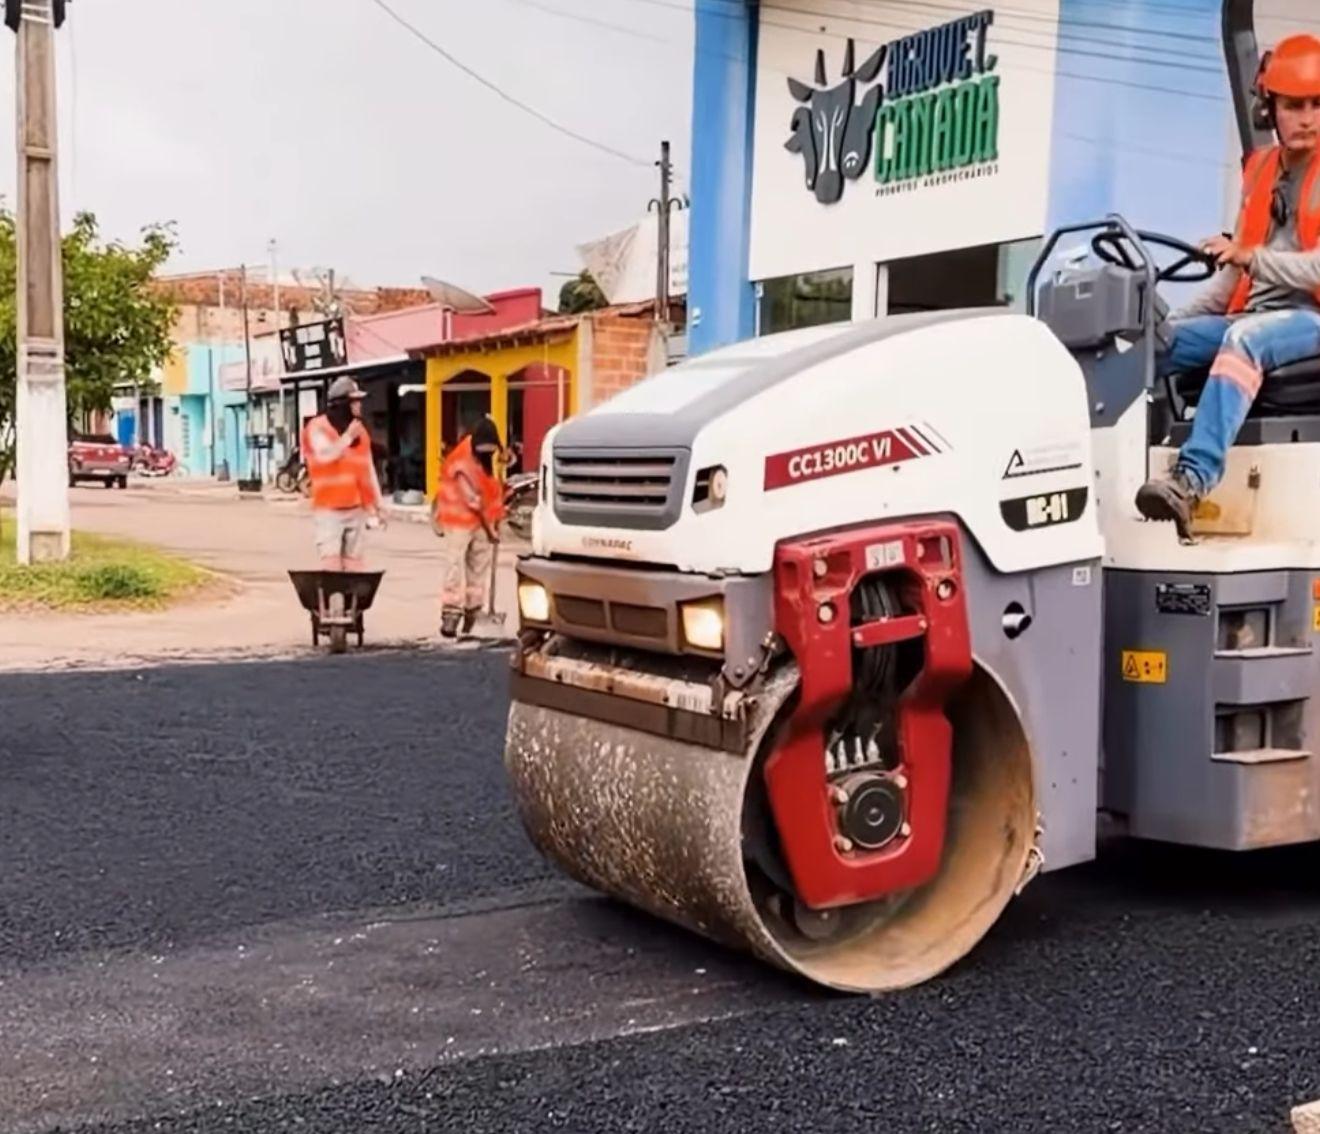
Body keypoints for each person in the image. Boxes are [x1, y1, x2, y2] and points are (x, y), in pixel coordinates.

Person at [1137, 33, 1320, 530]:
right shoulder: (1261, 171)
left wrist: (1249, 257)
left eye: (1316, 104)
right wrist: (1170, 326)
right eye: (1294, 105)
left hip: (1312, 319)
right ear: (1270, 109)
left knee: (1244, 338)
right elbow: (1231, 279)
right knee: (1150, 346)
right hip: (1259, 316)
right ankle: (1127, 476)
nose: (1307, 117)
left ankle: (1191, 480)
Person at [301, 375, 384, 570]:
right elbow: (325, 456)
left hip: (356, 507)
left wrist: (378, 504)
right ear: (343, 404)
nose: (359, 406)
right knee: (331, 566)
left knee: (354, 567)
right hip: (329, 509)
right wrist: (347, 438)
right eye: (355, 401)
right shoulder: (318, 427)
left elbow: (368, 469)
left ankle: (350, 601)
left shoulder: (360, 432)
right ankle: (333, 601)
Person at [434, 415, 506, 638]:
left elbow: (491, 492)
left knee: (478, 570)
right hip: (459, 520)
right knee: (454, 566)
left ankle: (473, 613)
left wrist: (496, 519)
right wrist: (491, 529)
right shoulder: (462, 461)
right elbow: (473, 501)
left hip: (482, 522)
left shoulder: (488, 456)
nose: (488, 455)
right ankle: (451, 615)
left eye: (491, 452)